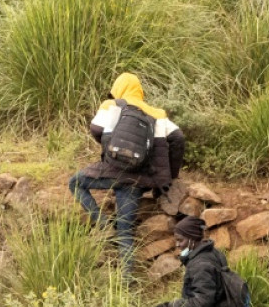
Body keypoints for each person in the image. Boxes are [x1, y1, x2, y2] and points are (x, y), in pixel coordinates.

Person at [69, 72, 185, 275]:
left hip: (113, 171)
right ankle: (126, 282)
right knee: (126, 231)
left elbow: (95, 129)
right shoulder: (158, 114)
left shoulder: (112, 105)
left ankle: (103, 224)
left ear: (119, 89)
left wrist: (114, 149)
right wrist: (171, 175)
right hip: (139, 179)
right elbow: (178, 139)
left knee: (75, 183)